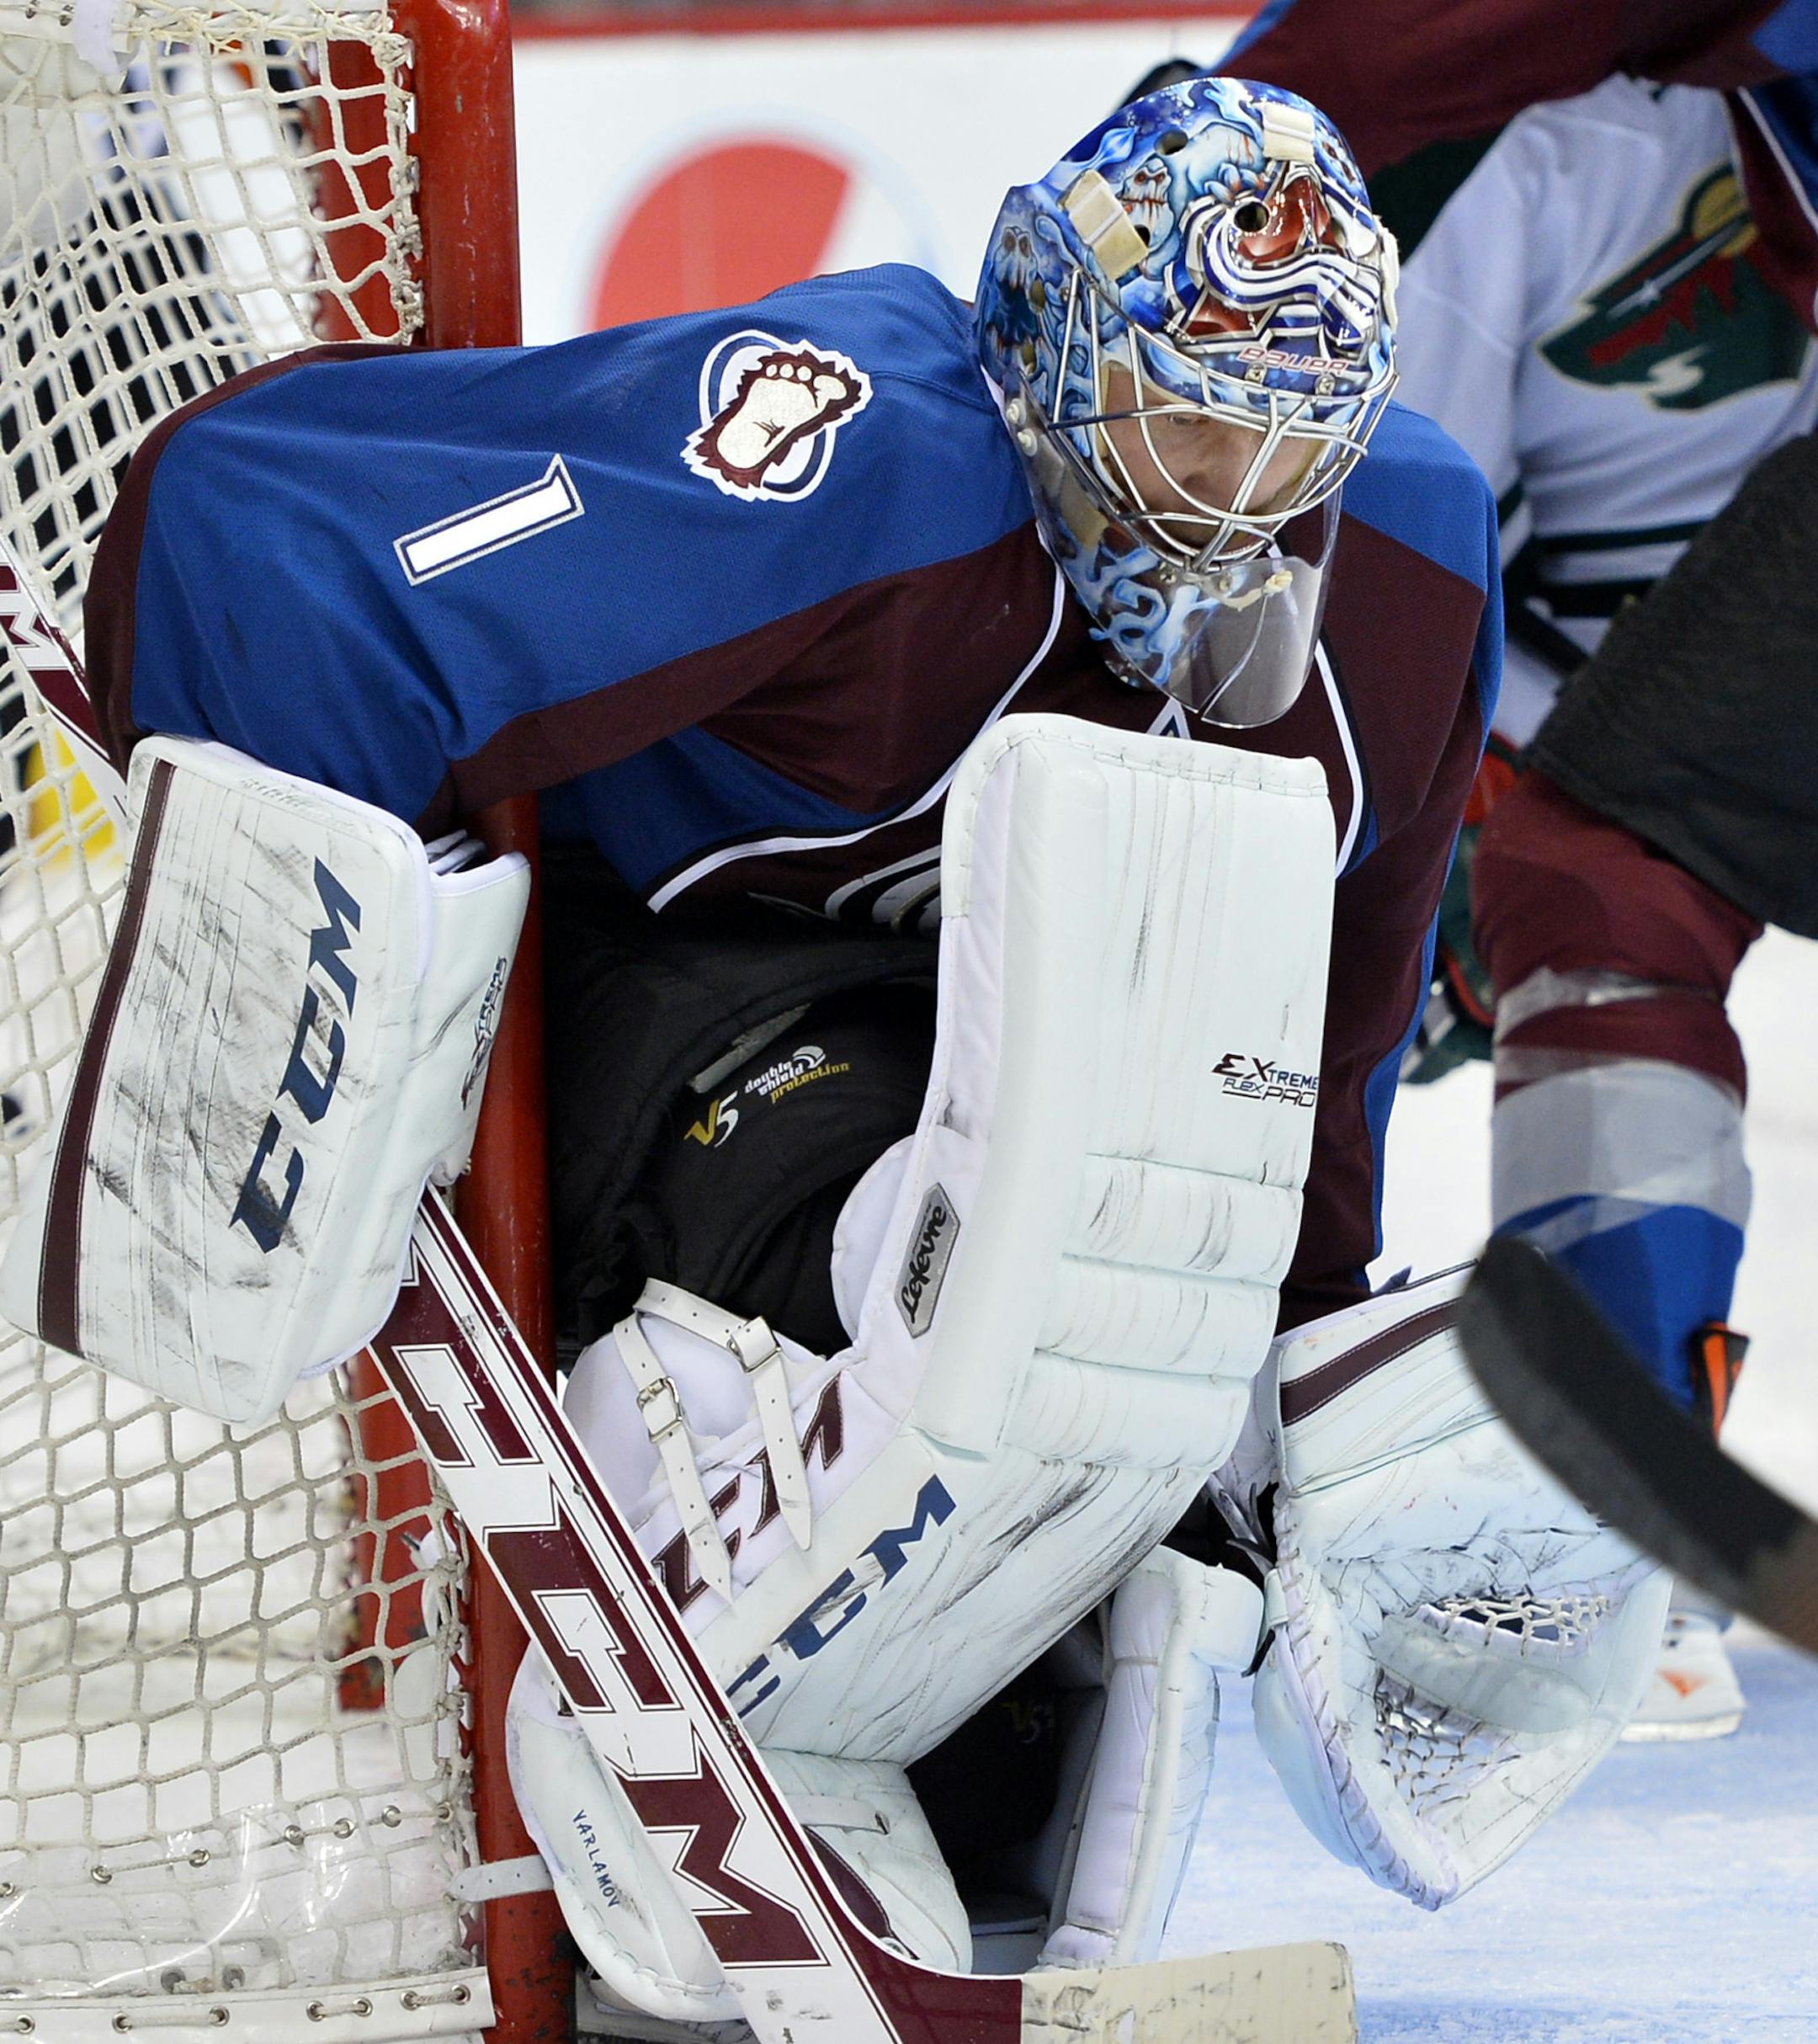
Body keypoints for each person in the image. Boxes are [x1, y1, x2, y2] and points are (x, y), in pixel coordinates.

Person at [3, 77, 1666, 2027]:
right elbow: (270, 529)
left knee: (1210, 1334)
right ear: (1050, 343)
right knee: (967, 1259)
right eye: (1195, 421)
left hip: (1007, 1061)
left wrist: (1281, 1337)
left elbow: (1341, 992)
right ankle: (706, 1596)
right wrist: (321, 987)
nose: (1242, 503)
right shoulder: (855, 451)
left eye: (1299, 436)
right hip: (676, 1008)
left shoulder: (1403, 558)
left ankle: (981, 1773)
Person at [1215, 0, 1818, 1741]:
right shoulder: (1519, 157)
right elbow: (1368, 617)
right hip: (1554, 667)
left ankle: (1620, 1538)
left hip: (1600, 703)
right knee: (1409, 861)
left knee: (1594, 875)